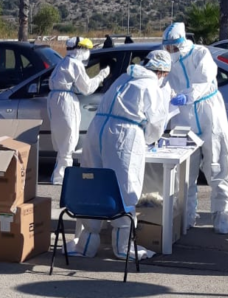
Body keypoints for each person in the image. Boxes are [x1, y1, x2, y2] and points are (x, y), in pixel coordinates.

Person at [68, 50, 172, 259]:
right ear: (161, 72)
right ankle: (122, 247)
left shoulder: (124, 78)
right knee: (125, 186)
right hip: (123, 135)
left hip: (96, 129)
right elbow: (156, 126)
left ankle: (86, 245)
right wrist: (150, 139)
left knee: (94, 183)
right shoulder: (151, 86)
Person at [162, 22, 228, 234]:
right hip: (183, 117)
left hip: (209, 112)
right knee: (185, 170)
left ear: (182, 43)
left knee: (217, 164)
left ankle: (222, 212)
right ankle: (187, 214)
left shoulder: (200, 53)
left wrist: (189, 95)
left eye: (173, 48)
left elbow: (204, 81)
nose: (170, 52)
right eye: (166, 48)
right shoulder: (168, 61)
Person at [47, 37, 110, 185]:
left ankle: (59, 175)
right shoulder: (75, 64)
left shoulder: (63, 62)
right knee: (68, 140)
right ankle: (62, 177)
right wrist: (102, 75)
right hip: (65, 102)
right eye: (87, 49)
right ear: (80, 49)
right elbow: (87, 88)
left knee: (63, 141)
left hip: (56, 101)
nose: (88, 53)